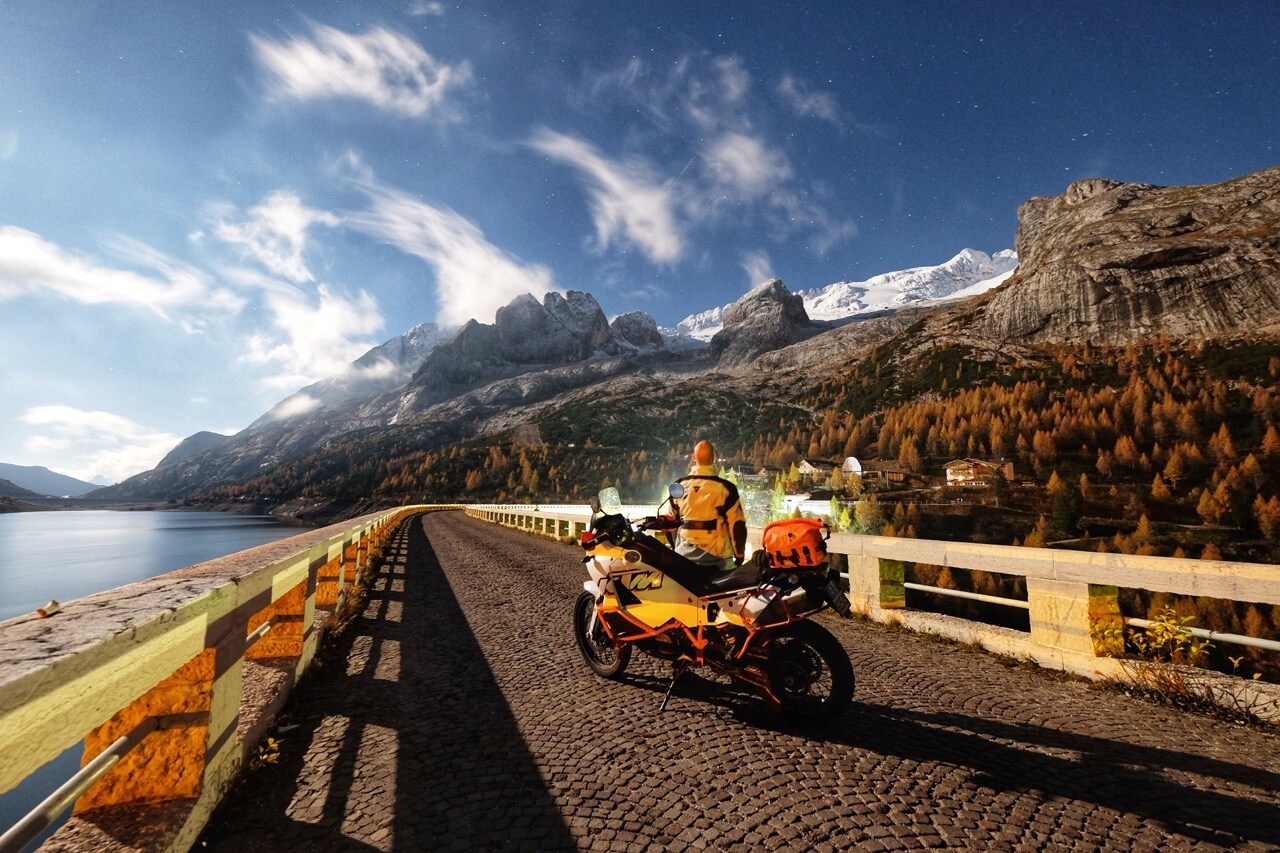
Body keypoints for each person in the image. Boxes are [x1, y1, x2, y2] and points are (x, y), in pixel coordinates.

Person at [671, 440, 747, 571]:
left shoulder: (679, 486)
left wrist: (675, 549)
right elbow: (737, 525)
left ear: (693, 458)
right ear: (714, 458)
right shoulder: (726, 488)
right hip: (718, 560)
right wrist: (739, 556)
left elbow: (670, 522)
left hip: (683, 557)